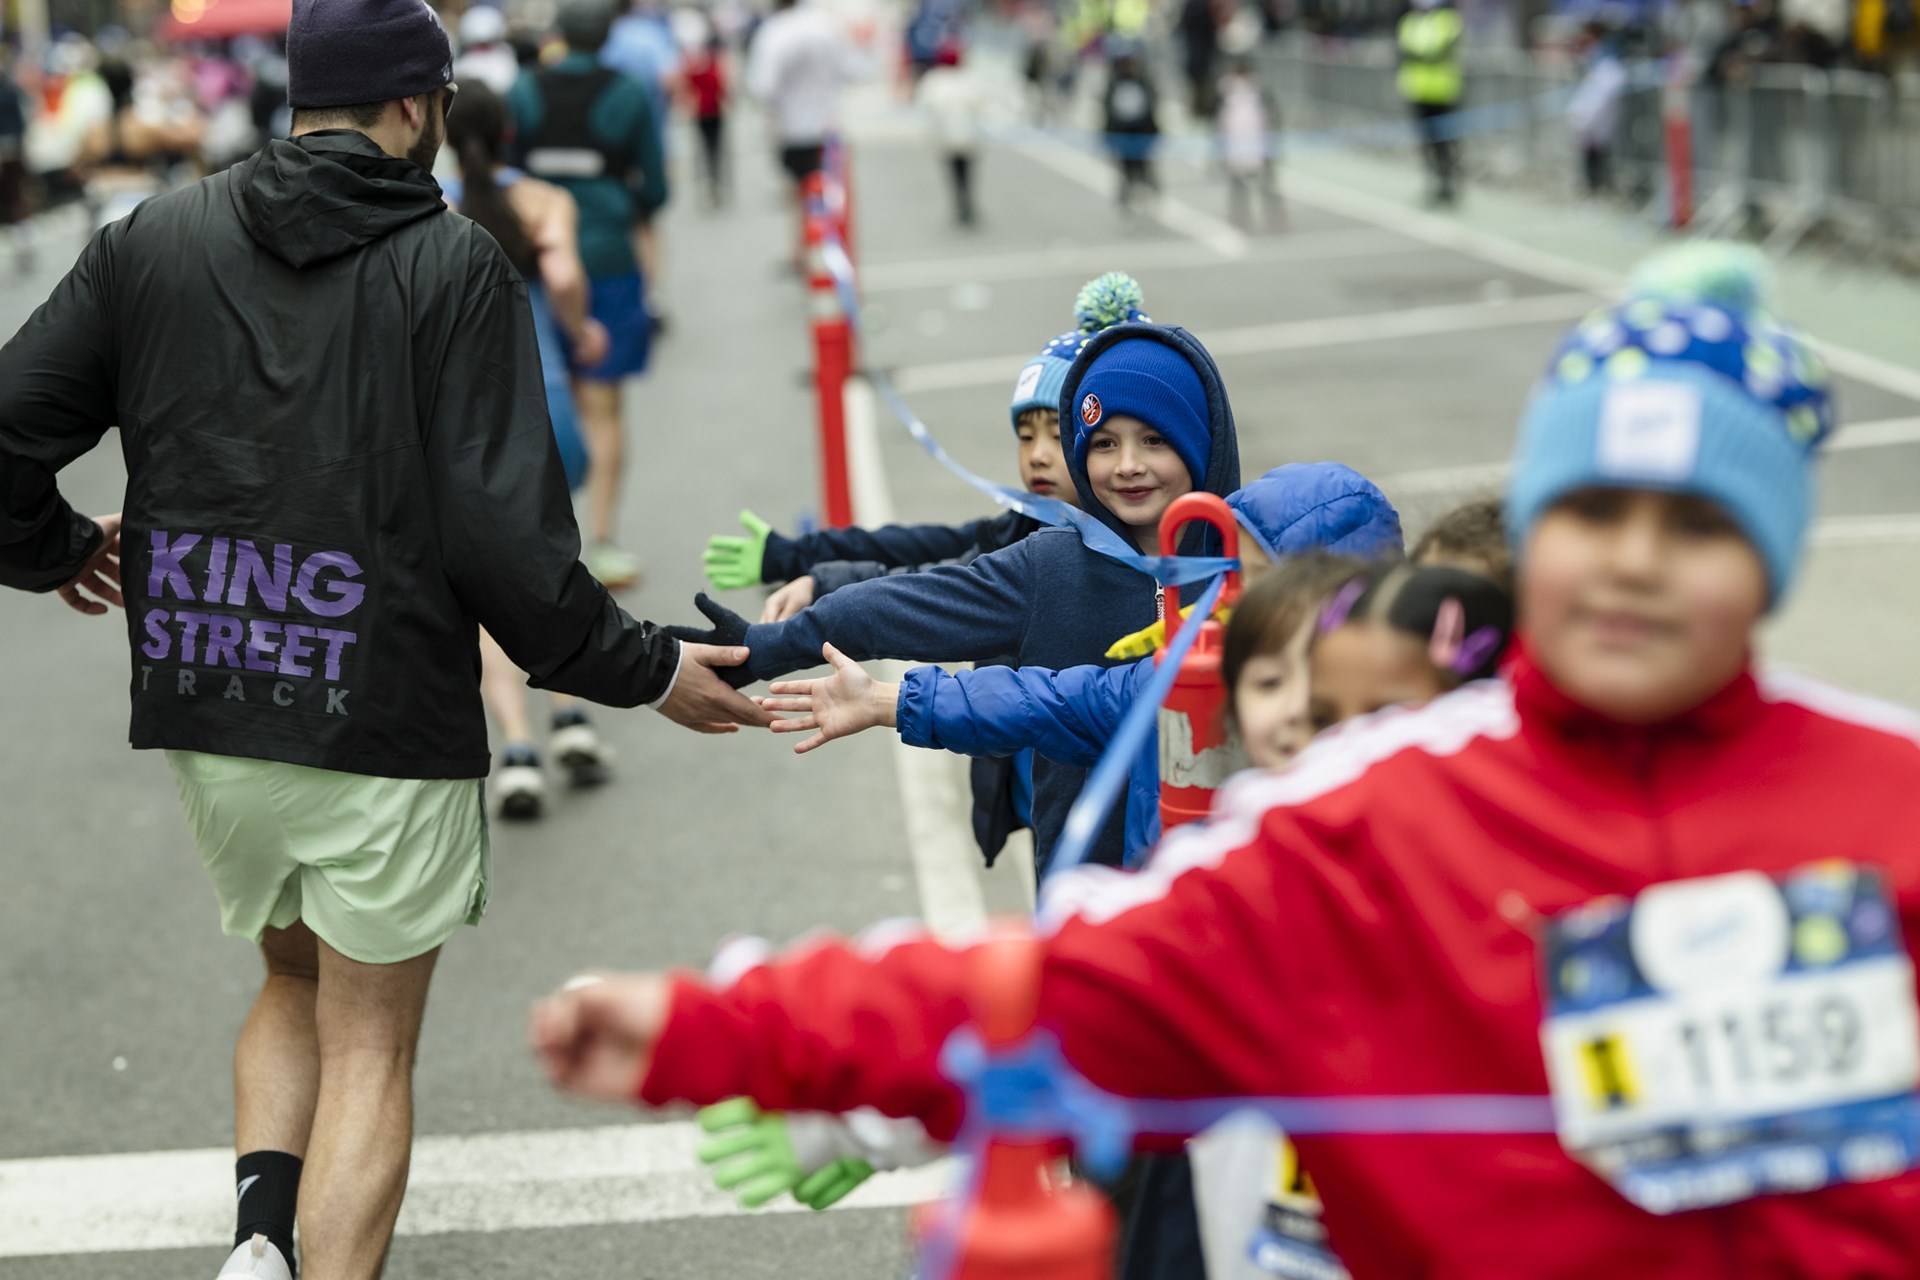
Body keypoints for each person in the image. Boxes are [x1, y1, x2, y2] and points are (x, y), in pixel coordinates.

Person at [534, 248, 1920, 1278]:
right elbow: (1080, 986)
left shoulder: (1889, 806)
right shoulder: (1376, 801)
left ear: (1773, 556)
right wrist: (747, 1031)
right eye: (1593, 510)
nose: (1632, 562)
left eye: (1696, 526)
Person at [0, 0, 768, 1274]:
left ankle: (260, 1239)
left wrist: (59, 546)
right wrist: (648, 670)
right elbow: (509, 551)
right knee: (371, 1041)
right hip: (383, 713)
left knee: (289, 978)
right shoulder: (454, 261)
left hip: (213, 690)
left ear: (301, 98)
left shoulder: (152, 240)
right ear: (418, 106)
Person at [668, 321, 1243, 874]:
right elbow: (902, 604)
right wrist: (762, 647)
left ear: (1200, 439)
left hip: (1230, 895)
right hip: (1089, 901)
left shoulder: (1253, 562)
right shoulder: (1050, 565)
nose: (1128, 466)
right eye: (1105, 443)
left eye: (1155, 439)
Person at [757, 463, 1404, 863]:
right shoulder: (1181, 672)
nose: (1233, 600)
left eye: (1263, 585)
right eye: (1230, 572)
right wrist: (887, 702)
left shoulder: (1399, 732)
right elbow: (1057, 700)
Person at [443, 79, 623, 819]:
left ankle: (515, 750)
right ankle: (572, 714)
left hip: (463, 419)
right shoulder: (546, 202)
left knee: (481, 587)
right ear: (509, 133)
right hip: (546, 403)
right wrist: (580, 330)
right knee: (551, 565)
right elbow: (565, 277)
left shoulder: (429, 207)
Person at [509, 0, 667, 591]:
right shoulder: (627, 92)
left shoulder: (525, 89)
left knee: (550, 402)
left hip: (537, 261)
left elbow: (508, 169)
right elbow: (654, 184)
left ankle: (551, 543)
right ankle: (599, 541)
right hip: (606, 257)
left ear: (558, 36)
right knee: (603, 405)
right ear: (609, 36)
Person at [746, 0, 855, 272]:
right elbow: (847, 70)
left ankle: (802, 251)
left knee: (797, 193)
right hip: (826, 123)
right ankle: (822, 249)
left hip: (791, 127)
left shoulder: (774, 31)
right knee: (826, 193)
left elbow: (762, 86)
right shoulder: (825, 25)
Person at [601, 0, 680, 334]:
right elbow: (672, 79)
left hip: (609, 147)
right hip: (653, 143)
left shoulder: (604, 38)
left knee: (616, 221)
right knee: (646, 223)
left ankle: (619, 296)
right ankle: (648, 297)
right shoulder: (651, 35)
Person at [1397, 0, 1463, 207]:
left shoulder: (1447, 19)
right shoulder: (1409, 21)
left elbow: (1439, 49)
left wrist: (1421, 55)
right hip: (1417, 91)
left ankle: (1448, 183)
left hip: (1444, 92)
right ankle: (1432, 182)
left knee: (1446, 142)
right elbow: (1404, 51)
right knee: (1426, 141)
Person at [915, 44, 986, 227]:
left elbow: (926, 105)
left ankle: (961, 202)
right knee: (966, 171)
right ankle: (965, 201)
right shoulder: (968, 79)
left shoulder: (935, 80)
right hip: (967, 134)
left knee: (955, 171)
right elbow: (980, 103)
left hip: (947, 136)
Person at [1216, 54, 1281, 232]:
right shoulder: (1226, 93)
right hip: (1236, 146)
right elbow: (1220, 123)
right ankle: (1240, 219)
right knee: (1238, 187)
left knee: (1266, 185)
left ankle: (1274, 219)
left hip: (1258, 145)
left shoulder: (1259, 92)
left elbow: (1271, 118)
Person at [1567, 21, 1628, 199]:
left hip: (1599, 120)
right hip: (1590, 121)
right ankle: (1593, 189)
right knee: (1590, 155)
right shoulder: (1595, 62)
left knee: (1602, 156)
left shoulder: (1608, 65)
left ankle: (1603, 189)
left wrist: (1584, 116)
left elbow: (1601, 95)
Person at [1103, 46, 1160, 215]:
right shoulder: (1114, 83)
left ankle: (1149, 194)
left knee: (1143, 167)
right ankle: (1125, 200)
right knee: (1125, 168)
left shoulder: (1142, 81)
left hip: (1140, 132)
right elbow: (1108, 109)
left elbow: (1151, 107)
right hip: (1123, 133)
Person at [680, 30, 731, 208]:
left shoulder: (695, 67)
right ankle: (712, 182)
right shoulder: (710, 66)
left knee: (708, 149)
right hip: (709, 112)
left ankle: (712, 183)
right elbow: (722, 87)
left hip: (706, 112)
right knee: (713, 149)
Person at [455, 5, 524, 94]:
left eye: (485, 45)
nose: (481, 50)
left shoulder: (506, 61)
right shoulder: (462, 66)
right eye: (478, 46)